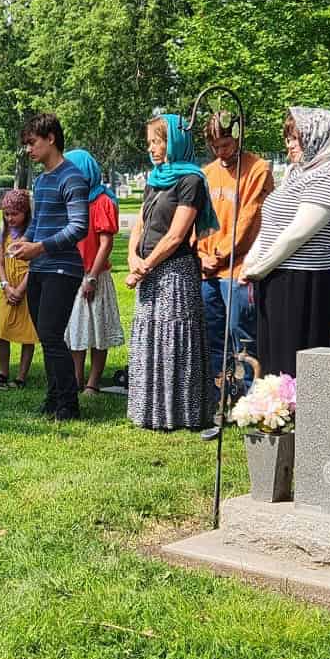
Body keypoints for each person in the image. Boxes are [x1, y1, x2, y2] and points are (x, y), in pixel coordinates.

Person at [240, 107, 330, 380]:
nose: (289, 145)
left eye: (296, 138)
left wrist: (258, 268)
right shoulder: (298, 172)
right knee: (272, 360)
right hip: (275, 276)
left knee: (294, 362)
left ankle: (294, 406)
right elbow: (272, 224)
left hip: (304, 281)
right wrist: (252, 261)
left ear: (317, 136)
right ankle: (274, 406)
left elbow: (298, 232)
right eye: (288, 138)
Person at [125, 114, 215, 431]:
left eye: (158, 141)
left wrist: (145, 267)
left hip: (175, 273)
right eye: (150, 142)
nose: (152, 148)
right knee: (149, 338)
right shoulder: (156, 178)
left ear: (174, 142)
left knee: (173, 341)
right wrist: (133, 256)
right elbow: (140, 223)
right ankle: (149, 411)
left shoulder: (191, 180)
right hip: (148, 271)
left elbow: (176, 235)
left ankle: (179, 413)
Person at [13, 113, 90, 420]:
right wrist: (24, 241)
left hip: (63, 269)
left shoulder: (72, 177)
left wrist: (40, 247)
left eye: (32, 143)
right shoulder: (42, 179)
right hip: (40, 268)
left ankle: (69, 404)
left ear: (51, 138)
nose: (28, 149)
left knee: (51, 334)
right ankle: (54, 396)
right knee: (46, 337)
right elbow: (39, 223)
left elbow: (79, 227)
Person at [196, 114, 272, 408]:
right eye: (215, 146)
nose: (221, 152)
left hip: (239, 268)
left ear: (238, 137)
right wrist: (201, 254)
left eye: (226, 144)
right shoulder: (206, 174)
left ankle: (251, 400)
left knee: (243, 334)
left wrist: (219, 255)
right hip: (207, 270)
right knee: (213, 335)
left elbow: (249, 220)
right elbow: (196, 220)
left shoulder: (258, 169)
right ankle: (219, 397)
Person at [62, 149, 124, 396]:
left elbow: (105, 244)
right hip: (71, 273)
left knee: (98, 330)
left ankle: (93, 381)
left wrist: (92, 277)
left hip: (93, 275)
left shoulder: (102, 202)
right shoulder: (71, 201)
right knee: (75, 329)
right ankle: (76, 377)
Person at [0, 188, 38, 388]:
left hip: (27, 288)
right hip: (7, 288)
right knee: (2, 330)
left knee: (27, 334)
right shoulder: (3, 233)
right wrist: (6, 286)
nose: (10, 218)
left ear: (26, 212)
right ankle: (3, 372)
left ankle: (21, 376)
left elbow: (35, 265)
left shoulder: (32, 234)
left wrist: (21, 290)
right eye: (6, 214)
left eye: (15, 214)